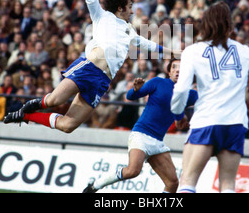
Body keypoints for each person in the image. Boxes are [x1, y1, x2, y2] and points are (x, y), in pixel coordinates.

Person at [4, 0, 178, 134]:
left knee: (68, 125)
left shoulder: (130, 31)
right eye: (129, 6)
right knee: (53, 101)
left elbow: (150, 45)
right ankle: (35, 103)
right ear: (120, 8)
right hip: (89, 67)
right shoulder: (102, 16)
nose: (131, 10)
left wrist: (175, 52)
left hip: (102, 81)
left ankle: (25, 116)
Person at [171, 2, 249, 193]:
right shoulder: (245, 51)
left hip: (206, 121)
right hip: (235, 124)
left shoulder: (193, 51)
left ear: (206, 25)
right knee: (228, 184)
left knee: (187, 181)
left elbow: (180, 91)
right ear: (229, 26)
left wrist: (179, 116)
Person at [83, 58, 198, 193]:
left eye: (181, 69)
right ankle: (95, 186)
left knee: (172, 183)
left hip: (158, 142)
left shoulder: (190, 94)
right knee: (133, 171)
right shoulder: (157, 82)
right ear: (169, 72)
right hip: (141, 135)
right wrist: (135, 90)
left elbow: (209, 100)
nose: (178, 71)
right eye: (174, 68)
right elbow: (130, 96)